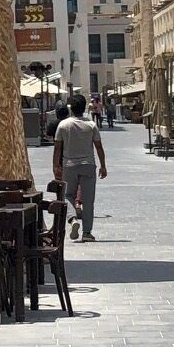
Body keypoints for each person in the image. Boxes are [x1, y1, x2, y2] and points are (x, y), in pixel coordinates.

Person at [53, 91, 107, 242]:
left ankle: (73, 219)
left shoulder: (63, 125)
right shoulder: (91, 125)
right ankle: (87, 232)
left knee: (67, 195)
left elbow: (57, 147)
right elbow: (99, 147)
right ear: (84, 108)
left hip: (69, 165)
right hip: (88, 165)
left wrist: (56, 166)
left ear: (71, 108)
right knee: (88, 200)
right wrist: (103, 166)